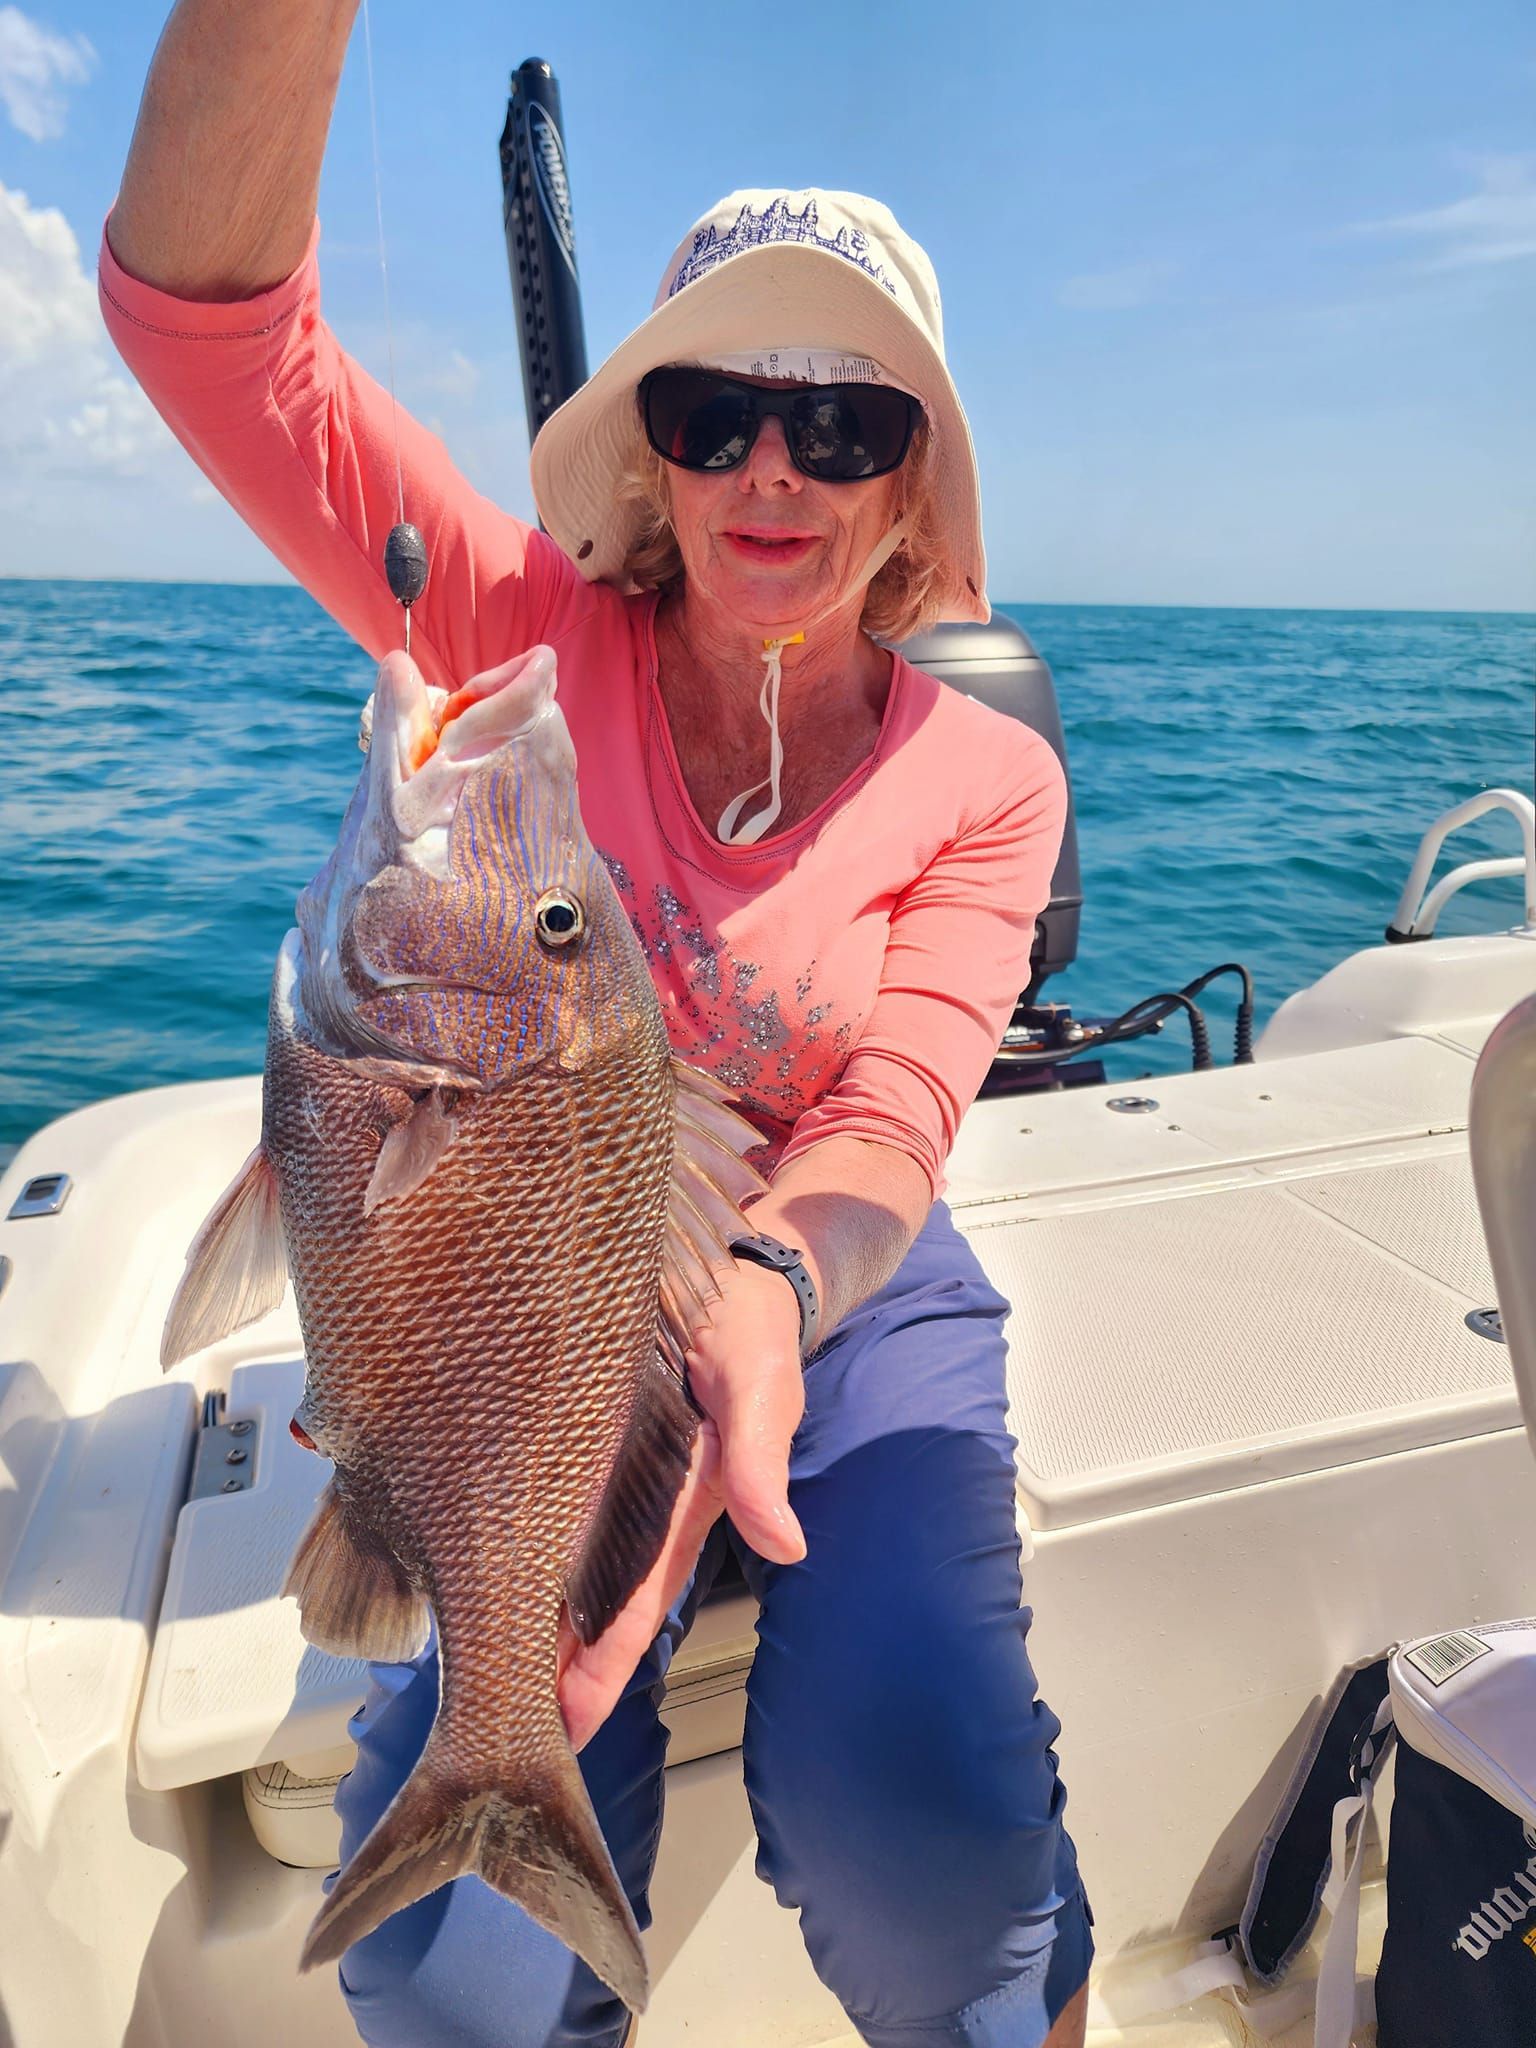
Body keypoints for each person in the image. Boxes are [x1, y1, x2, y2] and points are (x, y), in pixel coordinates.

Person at [105, 6, 1090, 2044]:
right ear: (650, 440)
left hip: (838, 1278)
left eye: (847, 425)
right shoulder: (510, 643)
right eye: (721, 402)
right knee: (455, 1952)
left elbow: (895, 1116)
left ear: (918, 489)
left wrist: (753, 1289)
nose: (771, 468)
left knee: (930, 1826)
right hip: (511, 1307)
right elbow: (210, 328)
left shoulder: (988, 781)